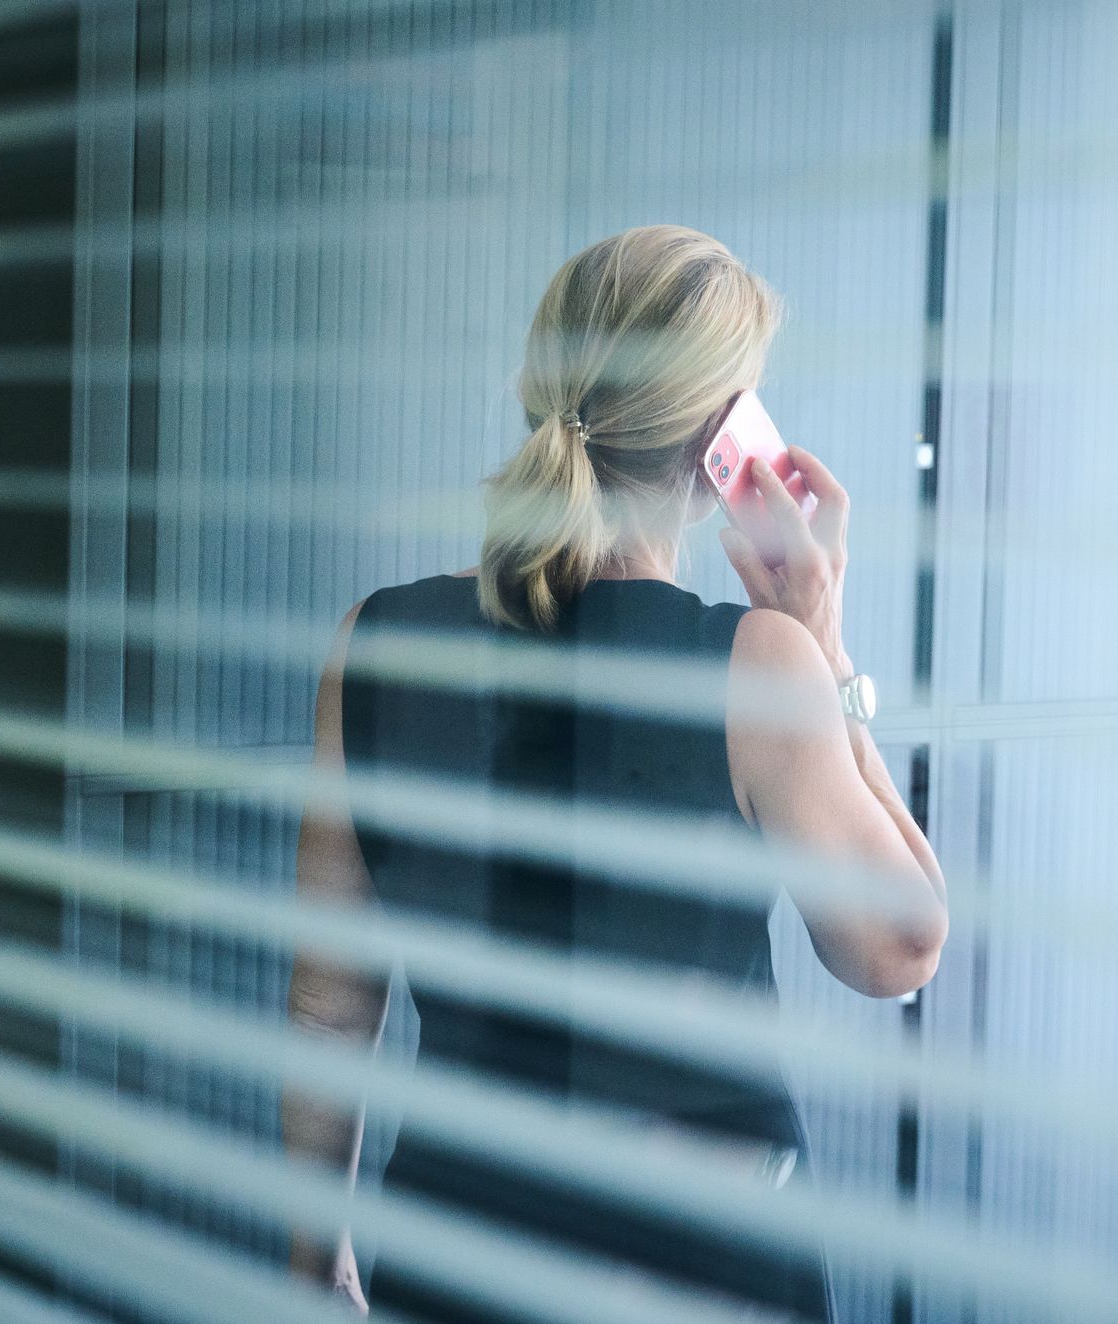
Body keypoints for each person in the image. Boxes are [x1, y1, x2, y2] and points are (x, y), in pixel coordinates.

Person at [283, 224, 949, 1322]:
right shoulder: (752, 666)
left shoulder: (374, 642)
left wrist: (320, 1269)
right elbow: (898, 946)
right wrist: (821, 638)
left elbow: (325, 1011)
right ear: (718, 446)